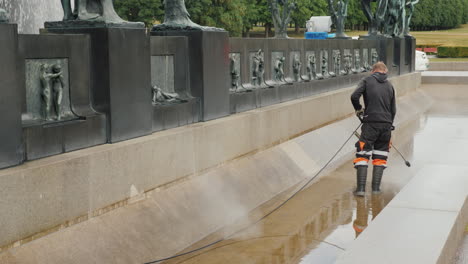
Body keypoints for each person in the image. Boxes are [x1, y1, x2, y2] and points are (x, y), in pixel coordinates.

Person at [351, 61, 396, 196]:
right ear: (385, 71)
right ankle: (376, 189)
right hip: (386, 125)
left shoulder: (367, 80)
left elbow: (354, 96)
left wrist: (359, 109)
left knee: (363, 154)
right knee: (381, 156)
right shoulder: (390, 85)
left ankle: (360, 190)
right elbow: (393, 109)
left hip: (370, 124)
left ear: (373, 71)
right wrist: (389, 124)